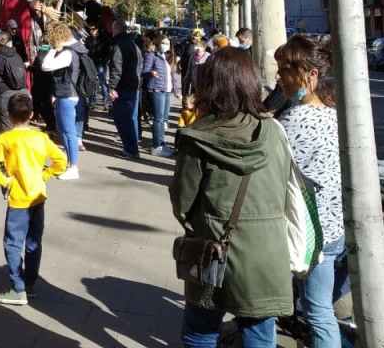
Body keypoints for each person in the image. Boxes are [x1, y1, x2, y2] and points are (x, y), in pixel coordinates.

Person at [170, 47, 294, 347]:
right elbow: (284, 185)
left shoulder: (197, 137)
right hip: (266, 251)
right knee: (259, 333)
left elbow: (183, 203)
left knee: (200, 330)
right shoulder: (273, 131)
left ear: (209, 84)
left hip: (213, 248)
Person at [276, 36, 344, 348]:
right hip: (334, 228)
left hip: (307, 232)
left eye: (285, 70)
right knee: (320, 308)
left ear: (310, 74)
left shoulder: (293, 120)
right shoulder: (335, 113)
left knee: (313, 311)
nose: (280, 77)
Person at [0, 94, 67, 306]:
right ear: (31, 115)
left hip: (18, 198)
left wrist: (4, 181)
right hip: (38, 196)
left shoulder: (5, 139)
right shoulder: (40, 137)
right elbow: (61, 160)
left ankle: (18, 288)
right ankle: (29, 284)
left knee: (13, 243)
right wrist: (45, 175)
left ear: (9, 115)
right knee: (33, 241)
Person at [41, 21, 86, 180]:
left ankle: (73, 167)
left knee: (68, 132)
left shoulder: (68, 53)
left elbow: (46, 66)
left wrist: (53, 49)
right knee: (65, 132)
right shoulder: (74, 49)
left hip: (67, 95)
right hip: (67, 94)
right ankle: (70, 165)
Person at [108, 16, 144, 158]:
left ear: (116, 29)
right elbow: (139, 65)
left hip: (123, 87)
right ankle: (132, 147)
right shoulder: (133, 44)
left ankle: (131, 149)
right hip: (133, 85)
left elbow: (116, 68)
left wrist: (112, 87)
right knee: (130, 118)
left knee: (122, 119)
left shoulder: (119, 45)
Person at [0, 31, 29, 138]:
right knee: (22, 128)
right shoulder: (18, 56)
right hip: (23, 93)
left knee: (7, 132)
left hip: (6, 95)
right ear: (10, 42)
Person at [142, 31, 173, 157]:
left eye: (168, 43)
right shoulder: (151, 55)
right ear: (159, 43)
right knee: (158, 119)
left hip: (166, 90)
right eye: (164, 43)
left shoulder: (164, 56)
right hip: (156, 89)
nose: (166, 45)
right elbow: (144, 71)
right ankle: (156, 146)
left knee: (163, 119)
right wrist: (151, 73)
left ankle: (161, 143)